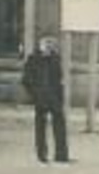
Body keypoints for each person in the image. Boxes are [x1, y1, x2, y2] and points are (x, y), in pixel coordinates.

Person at [21, 34, 70, 164]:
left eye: (50, 43)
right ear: (40, 44)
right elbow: (26, 80)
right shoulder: (33, 59)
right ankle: (42, 154)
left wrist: (60, 96)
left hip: (54, 97)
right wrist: (35, 94)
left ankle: (61, 155)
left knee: (60, 125)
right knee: (40, 127)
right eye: (45, 43)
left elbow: (59, 78)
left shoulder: (55, 58)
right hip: (40, 98)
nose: (48, 46)